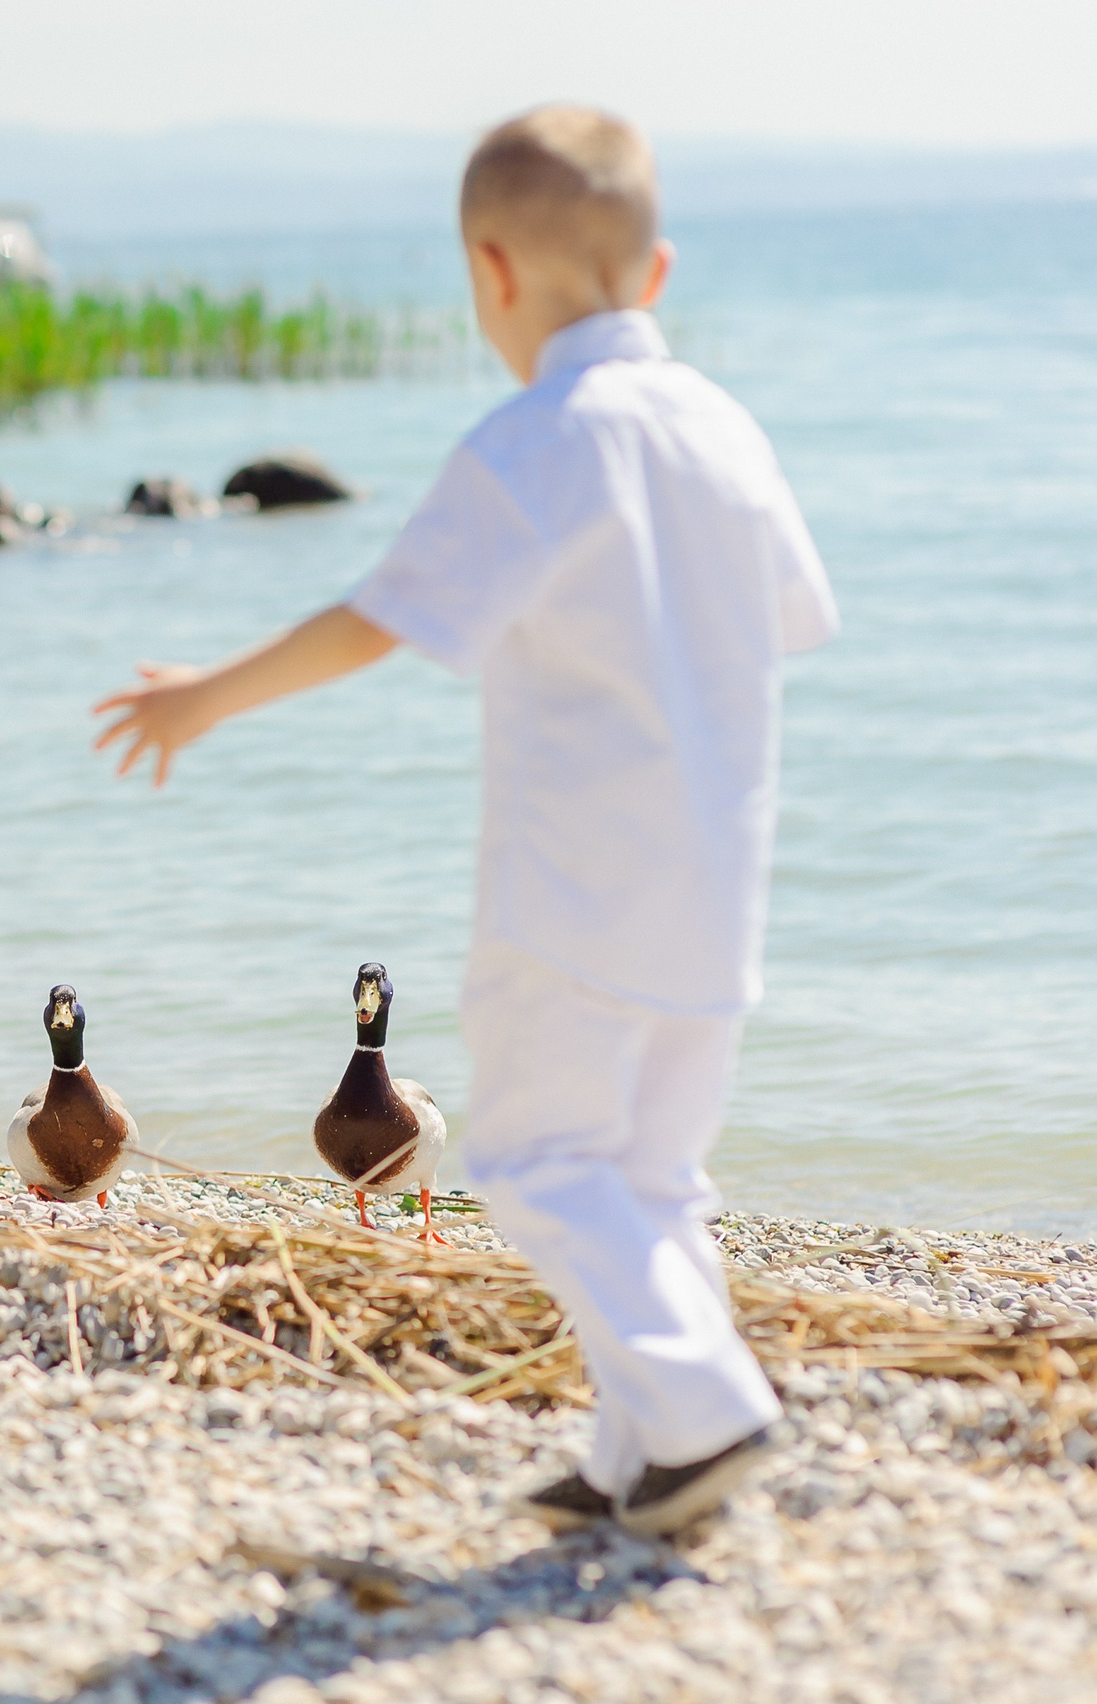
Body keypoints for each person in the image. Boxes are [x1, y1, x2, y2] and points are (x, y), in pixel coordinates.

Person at [92, 104, 838, 1539]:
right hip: (723, 888)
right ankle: (646, 1459)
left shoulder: (537, 437)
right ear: (657, 273)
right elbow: (790, 619)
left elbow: (380, 621)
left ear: (490, 272)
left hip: (576, 895)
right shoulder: (725, 431)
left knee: (532, 1159)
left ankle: (712, 1407)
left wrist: (203, 698)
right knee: (652, 1179)